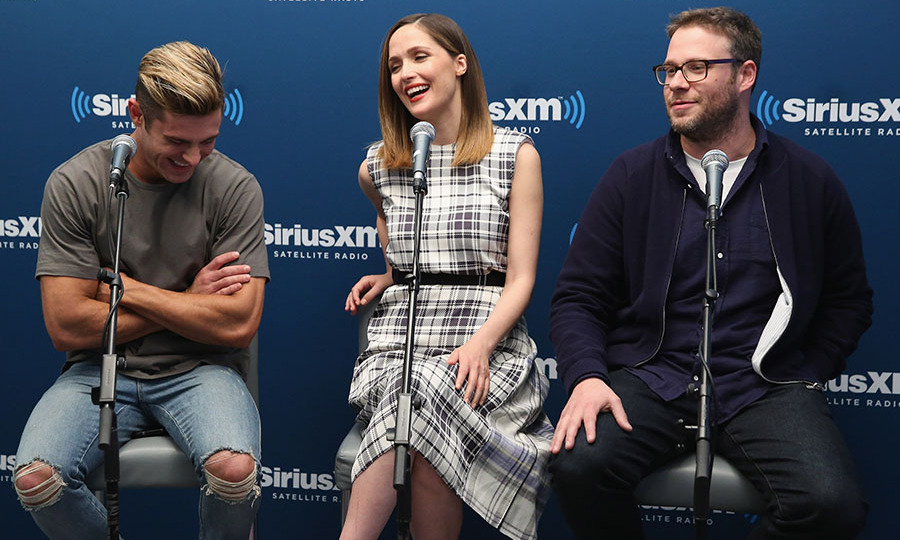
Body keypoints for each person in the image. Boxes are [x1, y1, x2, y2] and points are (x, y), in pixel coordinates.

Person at [548, 7, 872, 540]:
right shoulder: (631, 175)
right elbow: (579, 296)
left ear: (745, 75)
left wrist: (809, 368)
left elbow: (849, 298)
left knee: (830, 504)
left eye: (696, 68)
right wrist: (586, 376)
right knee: (579, 467)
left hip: (763, 385)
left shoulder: (808, 179)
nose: (676, 83)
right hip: (656, 376)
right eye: (670, 70)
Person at [14, 41, 268, 539]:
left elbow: (238, 323)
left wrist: (128, 290)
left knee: (235, 474)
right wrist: (191, 300)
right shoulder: (77, 183)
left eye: (209, 141)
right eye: (177, 141)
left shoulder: (236, 187)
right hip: (99, 367)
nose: (193, 157)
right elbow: (66, 325)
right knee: (37, 481)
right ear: (137, 114)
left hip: (201, 368)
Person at [342, 13, 553, 540]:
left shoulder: (514, 156)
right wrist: (392, 277)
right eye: (394, 65)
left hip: (489, 345)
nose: (405, 74)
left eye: (419, 57)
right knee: (415, 392)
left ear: (459, 64)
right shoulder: (379, 167)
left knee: (429, 403)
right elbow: (409, 248)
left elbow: (521, 278)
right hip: (398, 344)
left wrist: (482, 345)